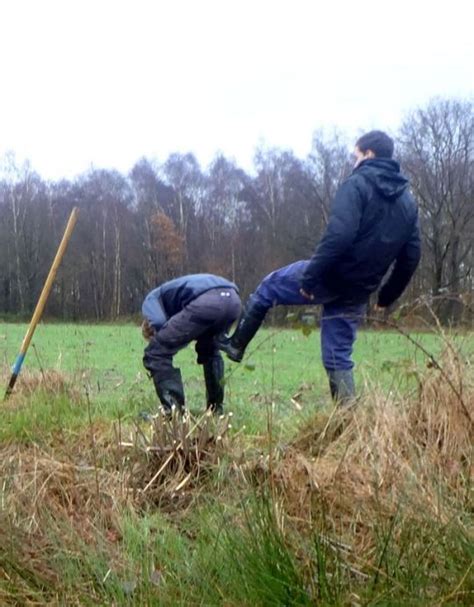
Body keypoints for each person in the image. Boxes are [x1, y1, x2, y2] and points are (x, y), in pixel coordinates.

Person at [219, 131, 421, 405]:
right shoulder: (408, 202)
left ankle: (235, 345)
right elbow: (411, 257)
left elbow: (340, 235)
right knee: (338, 355)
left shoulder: (357, 184)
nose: (354, 162)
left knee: (268, 287)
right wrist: (386, 296)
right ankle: (347, 424)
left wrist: (311, 277)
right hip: (360, 290)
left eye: (356, 156)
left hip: (330, 274)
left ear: (369, 154)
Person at [142, 273, 241, 416]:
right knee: (209, 349)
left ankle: (174, 414)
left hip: (207, 302)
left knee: (156, 352)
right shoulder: (171, 297)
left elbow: (159, 323)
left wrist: (163, 338)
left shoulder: (151, 300)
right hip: (233, 300)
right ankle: (215, 410)